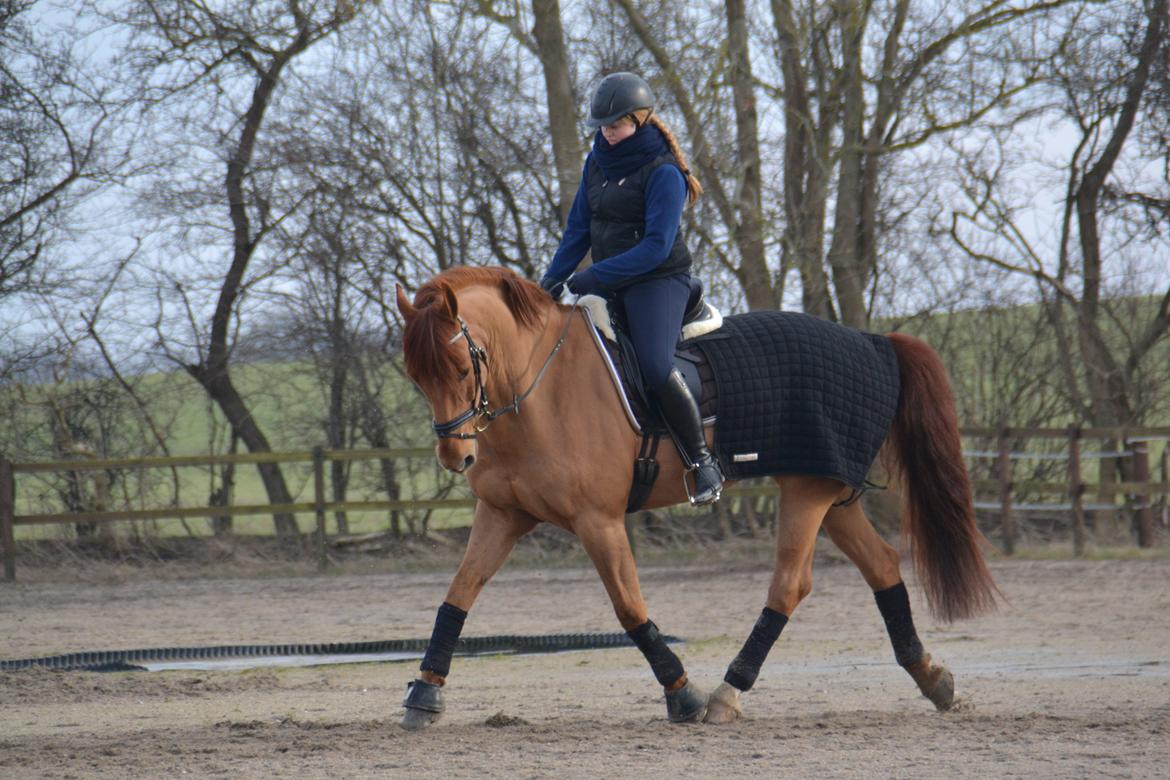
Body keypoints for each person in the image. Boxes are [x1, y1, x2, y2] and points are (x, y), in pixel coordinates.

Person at [539, 72, 723, 505]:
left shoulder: (665, 173)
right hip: (611, 280)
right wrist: (547, 282)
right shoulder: (596, 162)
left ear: (640, 121)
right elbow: (578, 229)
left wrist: (594, 277)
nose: (607, 132)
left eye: (616, 125)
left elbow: (656, 248)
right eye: (602, 125)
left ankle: (702, 462)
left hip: (657, 282)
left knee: (656, 366)